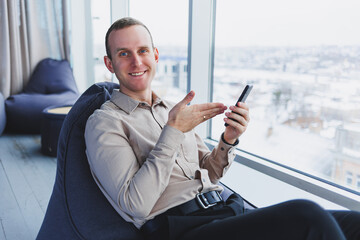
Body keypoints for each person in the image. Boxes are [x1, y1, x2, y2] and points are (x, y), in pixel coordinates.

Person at [85, 17, 360, 240]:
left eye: (143, 50)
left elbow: (210, 172)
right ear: (110, 64)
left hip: (223, 212)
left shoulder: (172, 108)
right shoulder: (105, 122)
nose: (136, 61)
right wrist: (173, 132)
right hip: (180, 228)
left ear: (155, 55)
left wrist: (228, 140)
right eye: (124, 54)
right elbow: (135, 204)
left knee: (353, 223)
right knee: (307, 215)